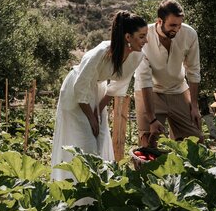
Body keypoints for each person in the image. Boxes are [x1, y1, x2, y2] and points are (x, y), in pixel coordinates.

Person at [51, 11, 148, 181]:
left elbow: (117, 87)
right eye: (141, 36)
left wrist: (98, 110)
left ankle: (96, 188)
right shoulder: (102, 52)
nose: (145, 41)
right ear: (128, 37)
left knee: (100, 138)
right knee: (84, 142)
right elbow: (80, 85)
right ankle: (74, 186)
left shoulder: (137, 56)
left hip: (96, 91)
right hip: (76, 92)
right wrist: (91, 116)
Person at [134, 0, 204, 148]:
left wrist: (194, 106)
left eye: (179, 25)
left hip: (178, 90)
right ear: (159, 21)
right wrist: (152, 119)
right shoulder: (144, 36)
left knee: (196, 141)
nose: (177, 29)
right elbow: (144, 79)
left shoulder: (190, 34)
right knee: (148, 144)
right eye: (172, 25)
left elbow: (193, 70)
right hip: (150, 91)